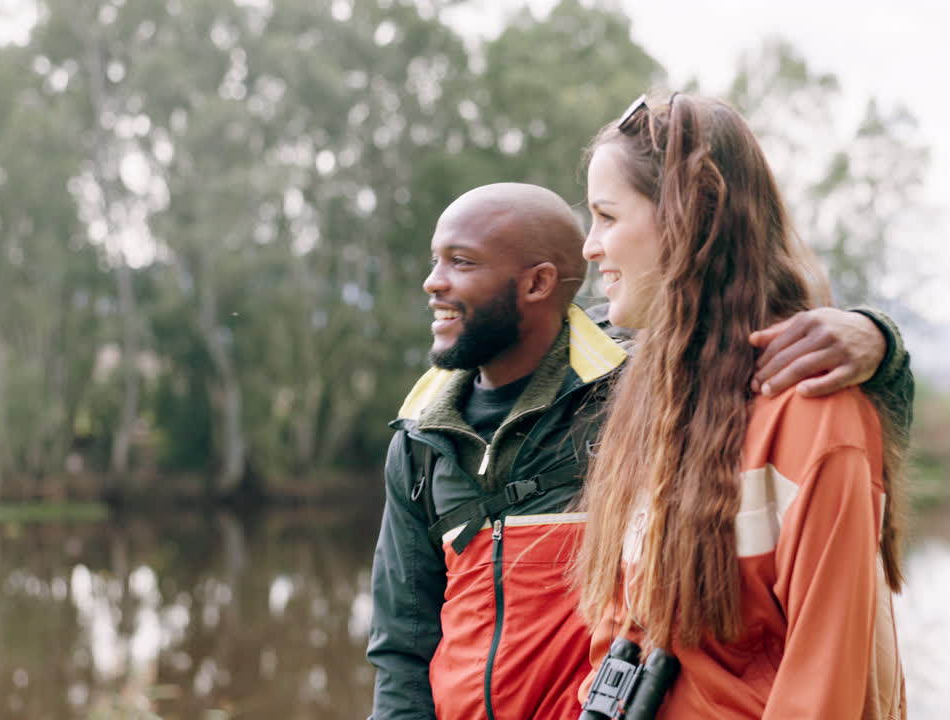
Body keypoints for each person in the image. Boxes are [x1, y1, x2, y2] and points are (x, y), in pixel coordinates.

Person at [367, 181, 911, 719]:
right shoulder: (419, 437)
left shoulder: (639, 385)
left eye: (460, 262)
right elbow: (402, 644)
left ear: (537, 283)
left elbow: (838, 425)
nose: (432, 283)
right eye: (436, 260)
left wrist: (877, 339)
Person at [576, 93, 907, 719]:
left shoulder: (815, 416)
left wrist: (881, 337)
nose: (590, 247)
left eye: (607, 217)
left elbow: (823, 687)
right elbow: (615, 636)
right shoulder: (648, 394)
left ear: (689, 220)